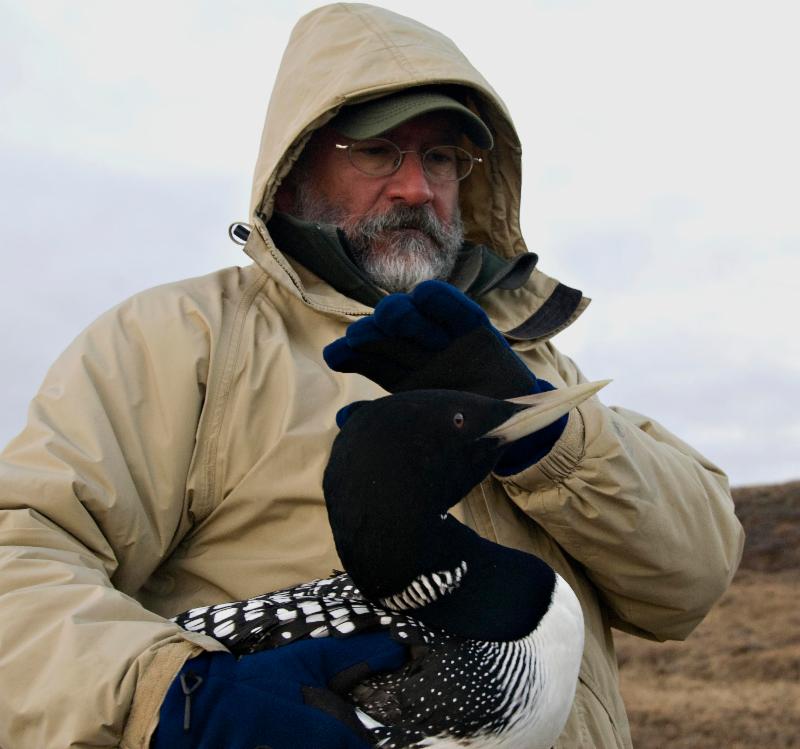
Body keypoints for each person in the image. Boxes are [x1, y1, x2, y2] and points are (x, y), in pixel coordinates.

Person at [0, 4, 744, 748]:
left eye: (442, 158)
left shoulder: (532, 361)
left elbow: (690, 580)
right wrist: (170, 700)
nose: (416, 188)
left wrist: (546, 436)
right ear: (293, 173)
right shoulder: (187, 340)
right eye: (378, 152)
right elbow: (22, 552)